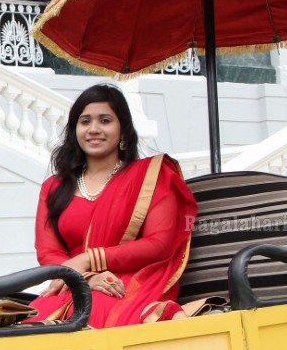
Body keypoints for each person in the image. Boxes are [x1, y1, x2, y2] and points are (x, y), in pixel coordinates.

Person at [26, 84, 197, 328]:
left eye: (105, 120)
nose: (94, 129)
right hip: (73, 282)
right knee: (25, 322)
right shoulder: (54, 187)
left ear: (123, 130)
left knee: (91, 310)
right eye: (85, 121)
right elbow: (47, 252)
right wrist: (86, 276)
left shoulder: (150, 177)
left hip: (130, 282)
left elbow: (159, 244)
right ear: (75, 130)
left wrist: (89, 259)